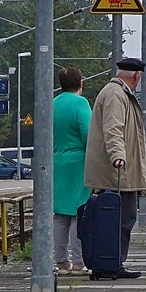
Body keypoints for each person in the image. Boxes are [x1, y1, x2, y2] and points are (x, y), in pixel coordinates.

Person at [83, 58, 146, 278]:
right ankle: (112, 263)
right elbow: (113, 128)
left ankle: (112, 262)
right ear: (137, 76)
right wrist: (118, 156)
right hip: (117, 173)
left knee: (118, 220)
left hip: (119, 171)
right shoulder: (115, 95)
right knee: (121, 220)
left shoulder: (118, 94)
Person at [52, 66, 91, 274]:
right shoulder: (81, 103)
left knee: (60, 214)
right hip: (78, 162)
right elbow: (88, 134)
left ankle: (60, 261)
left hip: (56, 161)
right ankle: (78, 262)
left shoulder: (52, 103)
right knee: (79, 213)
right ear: (80, 83)